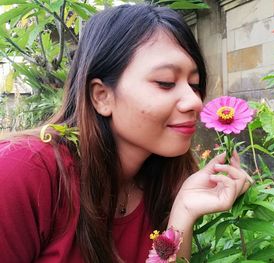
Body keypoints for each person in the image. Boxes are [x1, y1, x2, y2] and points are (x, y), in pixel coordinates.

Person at [0, 4, 252, 263]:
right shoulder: (21, 172)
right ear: (102, 96)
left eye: (195, 85)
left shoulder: (166, 179)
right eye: (165, 82)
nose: (195, 102)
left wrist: (183, 213)